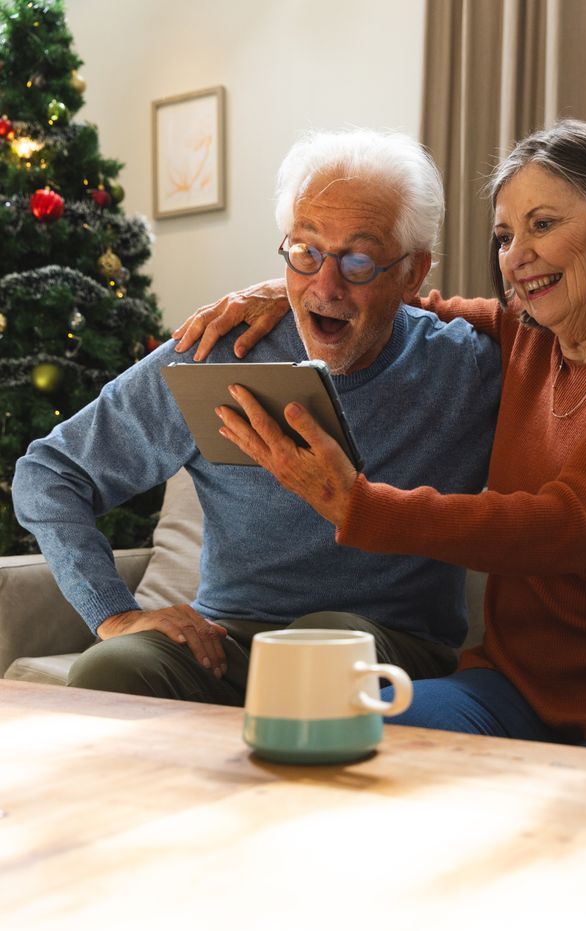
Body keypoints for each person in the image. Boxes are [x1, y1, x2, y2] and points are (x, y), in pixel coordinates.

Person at [202, 120, 586, 761]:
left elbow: (572, 524)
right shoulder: (528, 335)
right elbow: (412, 293)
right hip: (511, 687)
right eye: (505, 236)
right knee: (350, 728)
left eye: (543, 224)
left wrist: (358, 506)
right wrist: (286, 289)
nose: (516, 254)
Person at [11, 129, 502, 703]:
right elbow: (49, 473)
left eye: (360, 260)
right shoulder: (219, 351)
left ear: (413, 273)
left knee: (321, 652)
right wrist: (112, 614)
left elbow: (564, 340)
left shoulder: (467, 367)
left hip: (387, 644)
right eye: (305, 251)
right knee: (112, 672)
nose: (325, 284)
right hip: (228, 639)